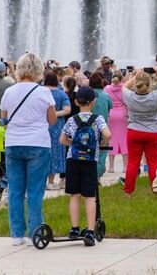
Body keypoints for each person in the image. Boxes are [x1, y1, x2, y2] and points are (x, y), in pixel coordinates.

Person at [0, 53, 57, 246]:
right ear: (39, 69)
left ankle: (16, 234)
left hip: (13, 142)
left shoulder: (9, 92)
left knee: (15, 190)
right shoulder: (44, 93)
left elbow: (4, 119)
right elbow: (51, 120)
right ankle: (35, 232)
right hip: (38, 143)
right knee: (35, 191)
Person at [59, 86, 110, 246]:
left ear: (76, 101)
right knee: (90, 196)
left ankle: (74, 228)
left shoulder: (71, 120)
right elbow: (108, 134)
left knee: (74, 194)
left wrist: (72, 143)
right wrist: (101, 143)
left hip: (73, 160)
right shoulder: (98, 119)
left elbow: (62, 139)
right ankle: (89, 230)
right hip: (89, 161)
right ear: (93, 102)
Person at [121, 65, 157, 195]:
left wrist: (135, 76)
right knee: (153, 162)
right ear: (149, 84)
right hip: (152, 132)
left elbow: (123, 87)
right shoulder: (154, 97)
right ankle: (156, 190)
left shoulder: (129, 96)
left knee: (133, 162)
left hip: (134, 131)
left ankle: (128, 191)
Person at [44, 72, 71, 190]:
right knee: (55, 152)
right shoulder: (61, 94)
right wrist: (55, 114)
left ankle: (41, 181)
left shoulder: (40, 92)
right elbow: (67, 109)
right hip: (57, 125)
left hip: (42, 124)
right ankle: (51, 181)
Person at [104, 72, 128, 173]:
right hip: (122, 114)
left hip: (111, 114)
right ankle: (125, 167)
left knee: (111, 139)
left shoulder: (107, 88)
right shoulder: (124, 88)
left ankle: (111, 167)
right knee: (124, 140)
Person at [89, 72, 112, 179]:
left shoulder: (88, 95)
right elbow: (109, 109)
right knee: (102, 153)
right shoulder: (106, 96)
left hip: (89, 127)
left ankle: (91, 175)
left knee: (90, 152)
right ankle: (97, 175)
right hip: (103, 127)